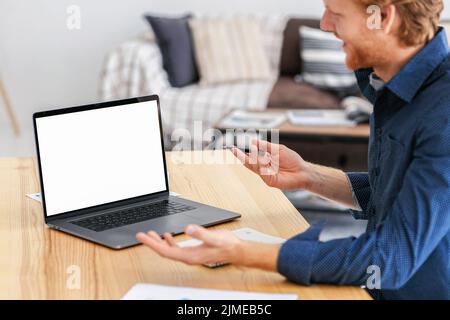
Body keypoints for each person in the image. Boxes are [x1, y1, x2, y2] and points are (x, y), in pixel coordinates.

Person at [136, 0, 450, 300]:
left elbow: (390, 260)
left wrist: (244, 253)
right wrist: (309, 176)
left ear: (383, 18)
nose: (325, 25)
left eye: (335, 13)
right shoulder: (393, 85)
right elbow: (398, 194)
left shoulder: (443, 113)